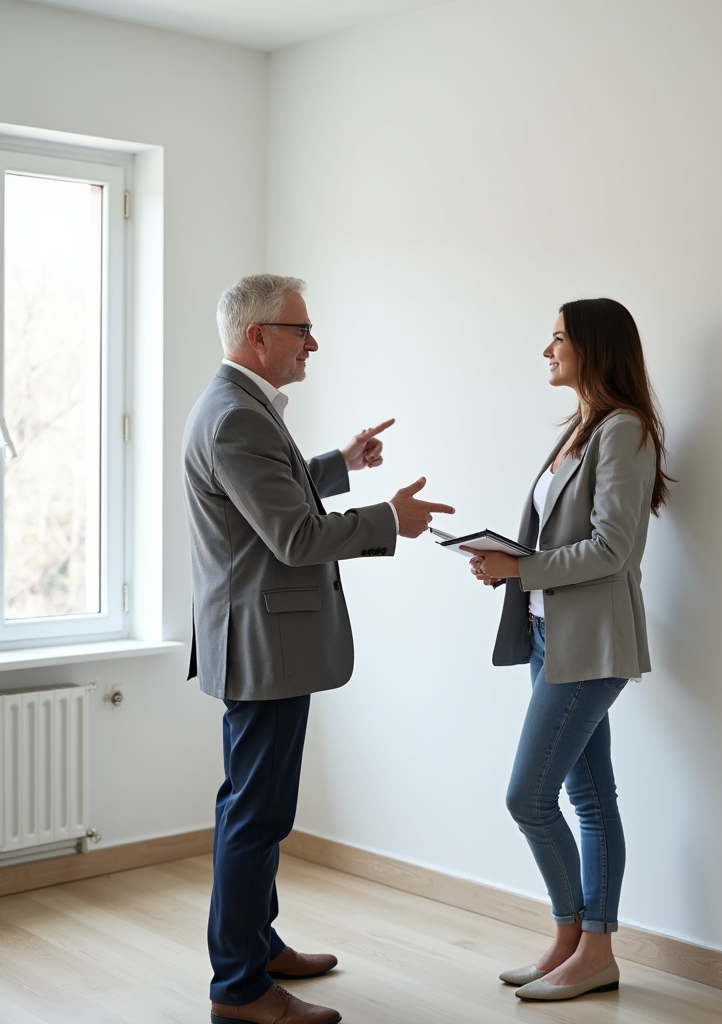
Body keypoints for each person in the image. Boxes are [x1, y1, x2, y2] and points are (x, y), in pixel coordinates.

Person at [182, 274, 454, 1024]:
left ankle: (258, 944)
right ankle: (239, 988)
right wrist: (387, 518)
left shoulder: (240, 407)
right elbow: (294, 535)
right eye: (301, 329)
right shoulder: (235, 416)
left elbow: (279, 487)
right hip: (263, 641)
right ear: (255, 337)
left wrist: (339, 463)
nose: (313, 342)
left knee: (255, 805)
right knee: (256, 812)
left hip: (262, 637)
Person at [463, 298, 671, 1002]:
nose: (546, 351)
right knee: (587, 794)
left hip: (591, 639)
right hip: (548, 635)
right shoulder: (578, 430)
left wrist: (519, 568)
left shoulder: (625, 432)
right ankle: (573, 942)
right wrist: (507, 560)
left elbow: (614, 549)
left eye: (557, 339)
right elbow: (561, 534)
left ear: (594, 347)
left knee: (529, 797)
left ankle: (594, 946)